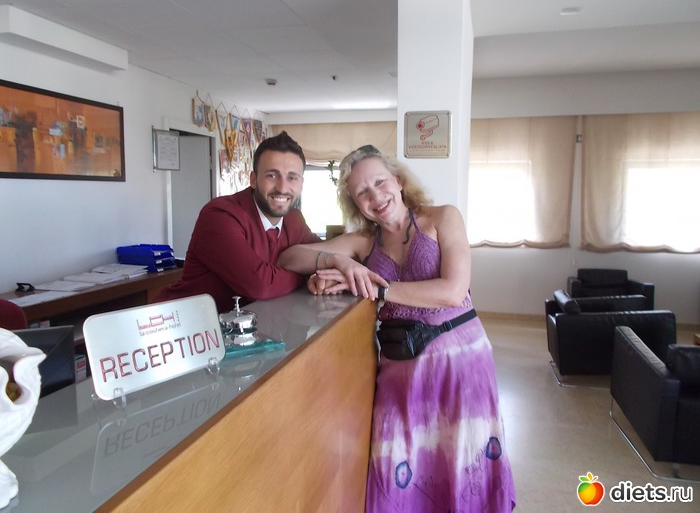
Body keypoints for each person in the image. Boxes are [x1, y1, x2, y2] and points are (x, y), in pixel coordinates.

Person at [277, 145, 516, 512]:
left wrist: (378, 289)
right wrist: (340, 263)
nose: (375, 197)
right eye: (362, 192)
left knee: (463, 457)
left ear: (399, 181)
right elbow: (289, 257)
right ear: (355, 204)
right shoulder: (364, 243)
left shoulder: (443, 217)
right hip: (401, 368)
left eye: (380, 182)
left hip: (461, 363)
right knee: (398, 463)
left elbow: (453, 291)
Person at [155, 131, 321, 313]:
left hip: (253, 323)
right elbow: (259, 285)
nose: (282, 188)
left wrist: (328, 267)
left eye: (292, 177)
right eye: (272, 175)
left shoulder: (293, 219)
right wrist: (305, 273)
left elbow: (326, 251)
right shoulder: (219, 215)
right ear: (253, 180)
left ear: (301, 183)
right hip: (187, 324)